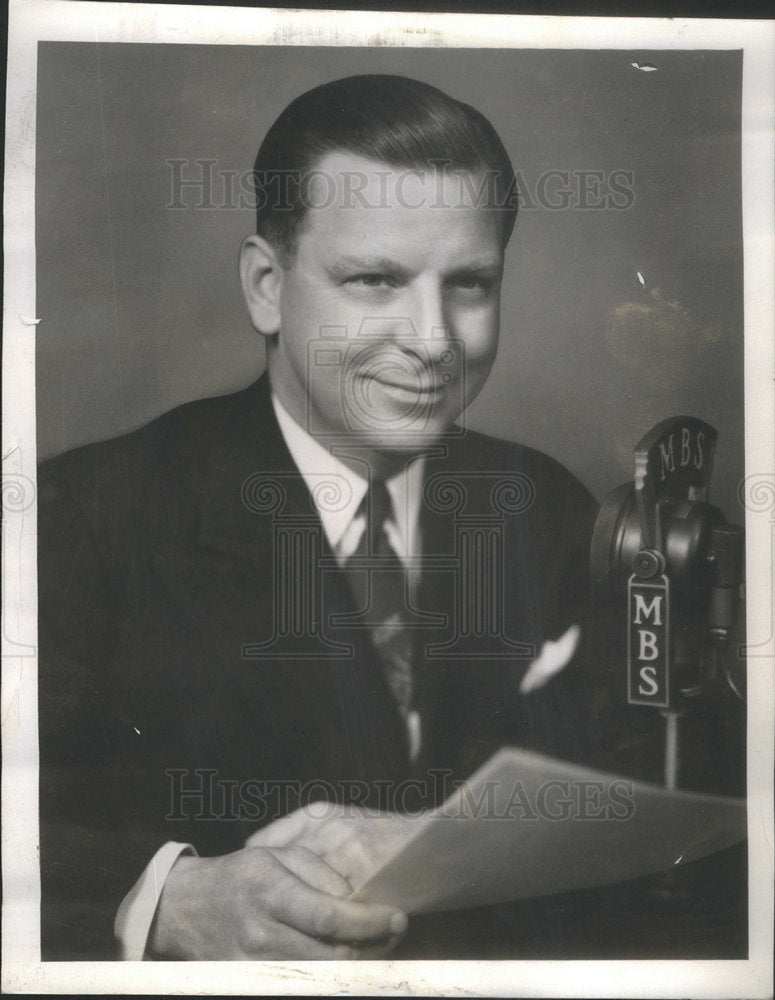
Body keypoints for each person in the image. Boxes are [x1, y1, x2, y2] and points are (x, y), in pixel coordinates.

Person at [37, 74, 602, 961]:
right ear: (266, 286)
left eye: (470, 284)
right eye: (375, 280)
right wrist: (160, 900)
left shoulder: (550, 508)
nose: (433, 341)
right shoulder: (82, 521)